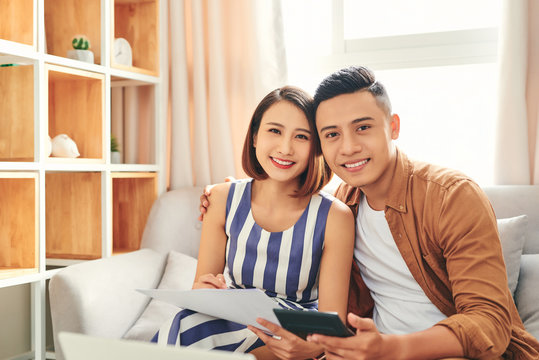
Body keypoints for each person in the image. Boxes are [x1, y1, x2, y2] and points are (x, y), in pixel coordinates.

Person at [200, 67, 539, 359]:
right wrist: (231, 194)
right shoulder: (343, 206)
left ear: (393, 126)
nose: (348, 147)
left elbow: (489, 323)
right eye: (332, 135)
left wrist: (389, 349)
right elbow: (287, 204)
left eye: (362, 128)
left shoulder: (451, 196)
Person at [153, 86, 355, 360]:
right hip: (233, 318)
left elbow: (333, 322)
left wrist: (312, 348)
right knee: (186, 322)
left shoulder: (335, 216)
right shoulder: (222, 198)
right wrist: (208, 290)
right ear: (255, 137)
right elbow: (200, 289)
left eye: (301, 136)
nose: (285, 147)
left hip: (294, 332)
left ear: (315, 148)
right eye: (275, 131)